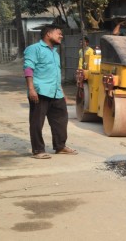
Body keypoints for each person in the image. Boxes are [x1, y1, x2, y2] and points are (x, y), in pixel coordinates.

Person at [23, 24, 78, 159]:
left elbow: (55, 74)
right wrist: (31, 89)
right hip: (40, 91)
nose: (61, 36)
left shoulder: (55, 52)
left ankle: (60, 146)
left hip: (56, 92)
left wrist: (62, 92)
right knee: (37, 122)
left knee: (61, 120)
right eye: (58, 33)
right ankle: (38, 150)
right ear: (48, 34)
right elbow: (28, 69)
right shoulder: (34, 49)